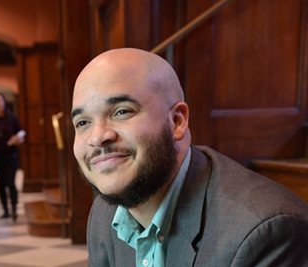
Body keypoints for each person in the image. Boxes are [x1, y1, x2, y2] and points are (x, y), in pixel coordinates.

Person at [71, 48, 308, 266]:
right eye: (82, 122)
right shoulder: (106, 211)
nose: (98, 137)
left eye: (122, 111)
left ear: (177, 121)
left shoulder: (265, 232)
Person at [0, 92, 24, 222]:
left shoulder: (12, 118)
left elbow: (22, 135)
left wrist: (17, 139)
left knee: (11, 183)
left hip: (11, 155)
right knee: (1, 184)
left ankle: (14, 209)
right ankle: (5, 210)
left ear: (4, 102)